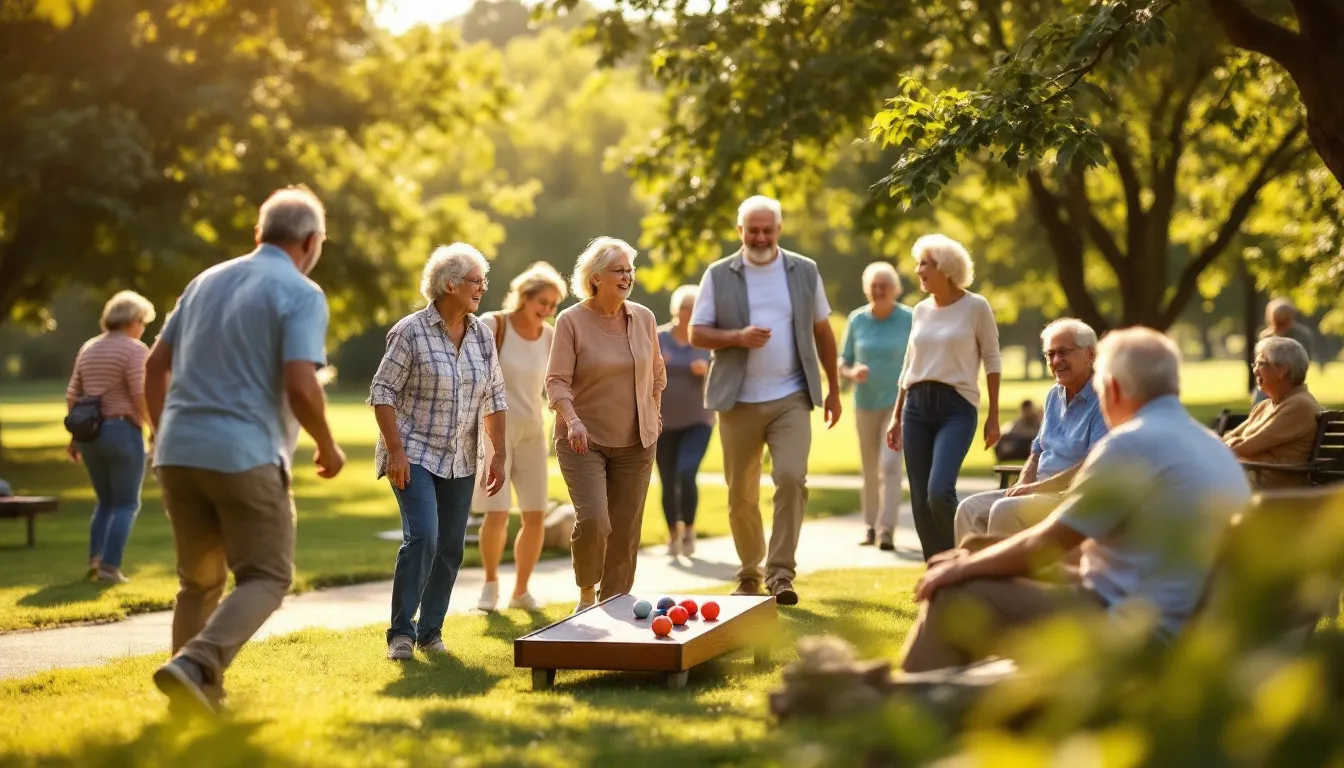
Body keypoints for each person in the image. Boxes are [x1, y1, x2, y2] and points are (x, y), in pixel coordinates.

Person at [899, 328, 1252, 673]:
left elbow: (1047, 542)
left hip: (1130, 625)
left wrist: (962, 569)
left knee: (955, 594)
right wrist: (978, 555)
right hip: (1184, 619)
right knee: (974, 556)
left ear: (1112, 388)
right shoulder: (1215, 448)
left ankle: (907, 710)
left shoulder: (1130, 444)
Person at [144, 186, 345, 715]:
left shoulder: (205, 281)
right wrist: (327, 443)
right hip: (245, 452)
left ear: (260, 233)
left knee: (199, 582)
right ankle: (196, 663)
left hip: (177, 451)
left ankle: (191, 702)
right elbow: (301, 383)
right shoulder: (300, 292)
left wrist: (161, 433)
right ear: (310, 241)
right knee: (267, 574)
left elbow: (153, 367)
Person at [690, 194, 842, 606]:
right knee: (741, 492)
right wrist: (736, 337)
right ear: (740, 231)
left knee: (792, 478)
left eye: (767, 230)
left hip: (791, 395)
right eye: (752, 230)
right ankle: (749, 572)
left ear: (778, 230)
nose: (760, 237)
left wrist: (833, 389)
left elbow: (823, 332)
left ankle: (781, 573)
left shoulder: (803, 270)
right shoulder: (719, 274)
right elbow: (696, 333)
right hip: (737, 399)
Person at [371, 243, 508, 660]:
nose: (483, 288)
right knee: (424, 537)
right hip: (413, 453)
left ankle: (431, 631)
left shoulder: (482, 333)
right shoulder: (410, 331)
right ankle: (401, 633)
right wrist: (395, 450)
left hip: (461, 457)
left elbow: (496, 397)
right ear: (450, 284)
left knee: (450, 545)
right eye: (476, 280)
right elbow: (382, 391)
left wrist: (498, 453)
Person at [547, 237, 665, 612]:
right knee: (596, 518)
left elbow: (657, 374)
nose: (627, 276)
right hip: (584, 441)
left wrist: (653, 412)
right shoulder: (571, 321)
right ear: (595, 278)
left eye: (630, 270)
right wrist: (572, 420)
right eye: (619, 270)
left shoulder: (643, 317)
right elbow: (556, 381)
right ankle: (586, 593)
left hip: (637, 442)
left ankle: (613, 602)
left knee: (627, 529)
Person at [886, 234, 1002, 561]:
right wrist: (896, 416)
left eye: (925, 263)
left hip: (956, 408)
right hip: (915, 410)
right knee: (920, 499)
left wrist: (993, 416)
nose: (918, 269)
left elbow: (992, 360)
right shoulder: (920, 311)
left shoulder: (976, 307)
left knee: (939, 493)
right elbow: (909, 365)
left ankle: (971, 560)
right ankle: (936, 572)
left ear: (946, 267)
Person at [954, 318, 1108, 544]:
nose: (1056, 361)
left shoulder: (1103, 399)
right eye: (1050, 354)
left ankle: (1004, 577)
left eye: (1063, 352)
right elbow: (1037, 450)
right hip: (1038, 492)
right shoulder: (1054, 395)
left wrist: (1036, 487)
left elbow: (1094, 464)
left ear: (1090, 355)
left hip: (1072, 496)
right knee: (968, 509)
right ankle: (970, 577)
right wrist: (1025, 481)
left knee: (1004, 509)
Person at [470, 262, 567, 612]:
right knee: (497, 514)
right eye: (543, 302)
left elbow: (555, 382)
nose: (547, 311)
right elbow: (471, 373)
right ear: (523, 298)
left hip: (532, 431)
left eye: (553, 305)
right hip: (494, 430)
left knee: (535, 513)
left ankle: (521, 592)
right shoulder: (493, 325)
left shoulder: (551, 336)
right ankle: (490, 585)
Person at [65, 290, 156, 583]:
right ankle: (110, 567)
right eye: (142, 321)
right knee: (127, 503)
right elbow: (140, 393)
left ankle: (95, 559)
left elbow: (72, 394)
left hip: (89, 434)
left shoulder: (89, 348)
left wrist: (74, 438)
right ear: (131, 320)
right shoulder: (135, 349)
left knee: (105, 501)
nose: (143, 327)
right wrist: (155, 427)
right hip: (122, 430)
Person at [839, 262, 913, 551]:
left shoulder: (909, 318)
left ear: (895, 289)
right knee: (869, 469)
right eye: (874, 286)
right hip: (865, 404)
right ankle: (870, 525)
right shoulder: (857, 320)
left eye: (885, 286)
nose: (879, 291)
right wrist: (851, 371)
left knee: (890, 466)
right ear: (867, 290)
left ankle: (887, 530)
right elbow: (842, 360)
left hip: (899, 405)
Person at [657, 284, 715, 557]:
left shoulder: (705, 340)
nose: (687, 313)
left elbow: (722, 372)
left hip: (697, 420)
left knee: (686, 471)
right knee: (667, 479)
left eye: (692, 308)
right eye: (683, 307)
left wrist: (707, 371)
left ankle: (689, 530)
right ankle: (673, 536)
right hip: (661, 423)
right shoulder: (658, 337)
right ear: (674, 309)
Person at [1224, 337, 1322, 489]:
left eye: (1260, 364)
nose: (1255, 369)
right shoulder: (1264, 406)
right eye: (1254, 364)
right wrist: (1231, 442)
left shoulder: (1299, 406)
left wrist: (1232, 444)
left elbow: (1242, 447)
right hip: (1250, 478)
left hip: (1270, 487)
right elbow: (1229, 439)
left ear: (1282, 370)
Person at [1255, 299, 1317, 403]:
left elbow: (1304, 362)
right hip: (1268, 381)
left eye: (1281, 322)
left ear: (1290, 318)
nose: (1277, 327)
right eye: (1275, 321)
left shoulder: (1303, 335)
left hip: (1289, 381)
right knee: (1259, 401)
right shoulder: (1265, 336)